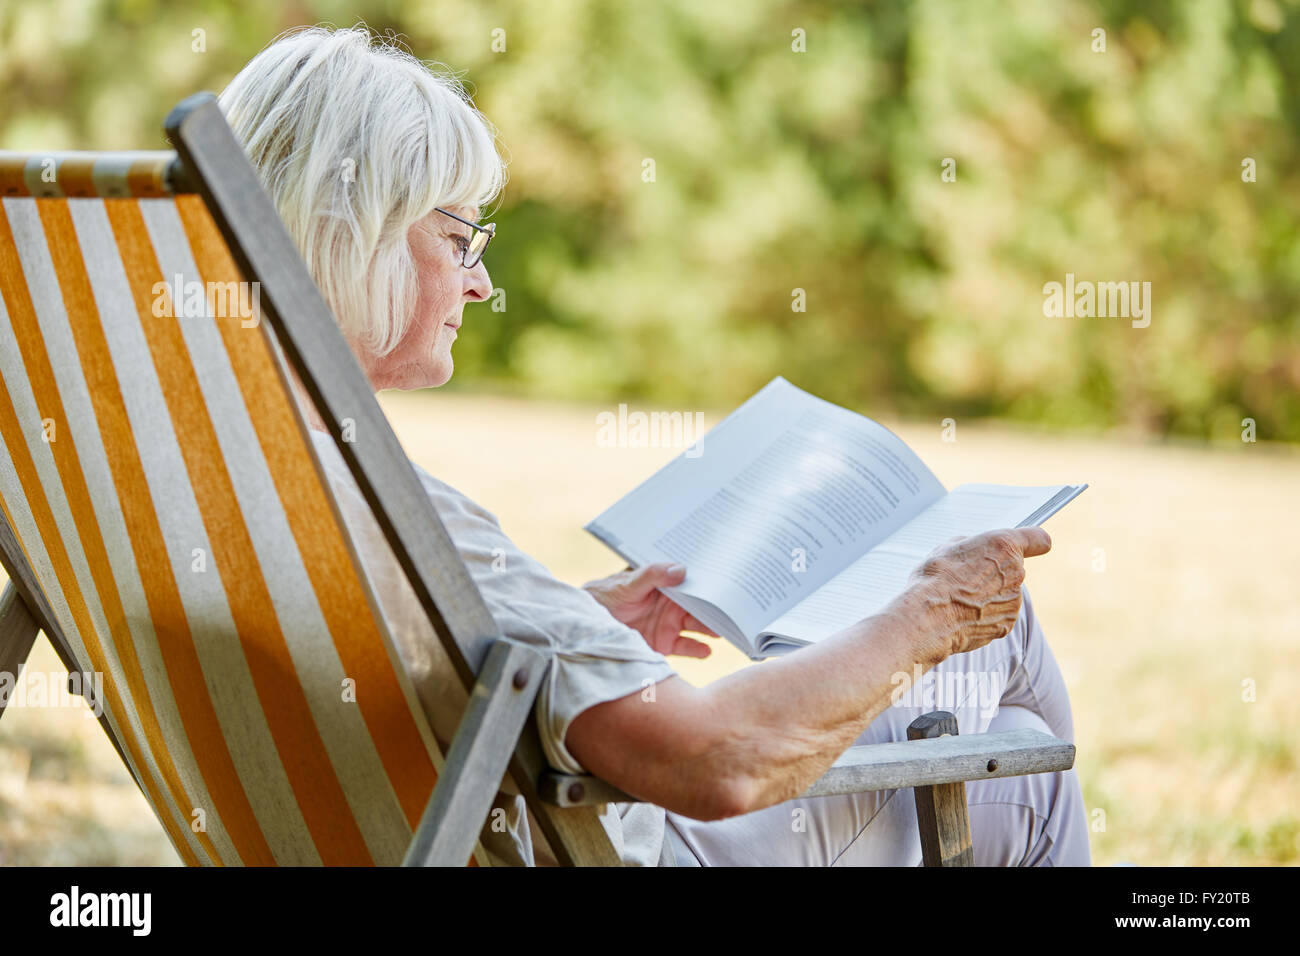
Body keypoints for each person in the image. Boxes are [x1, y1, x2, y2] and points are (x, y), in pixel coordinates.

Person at [218, 25, 1090, 866]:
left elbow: (395, 681)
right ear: (354, 233)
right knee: (1018, 736)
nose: (481, 282)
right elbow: (717, 761)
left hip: (467, 829)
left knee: (1009, 736)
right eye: (457, 239)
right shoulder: (378, 505)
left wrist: (547, 651)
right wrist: (927, 613)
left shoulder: (218, 470)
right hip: (627, 846)